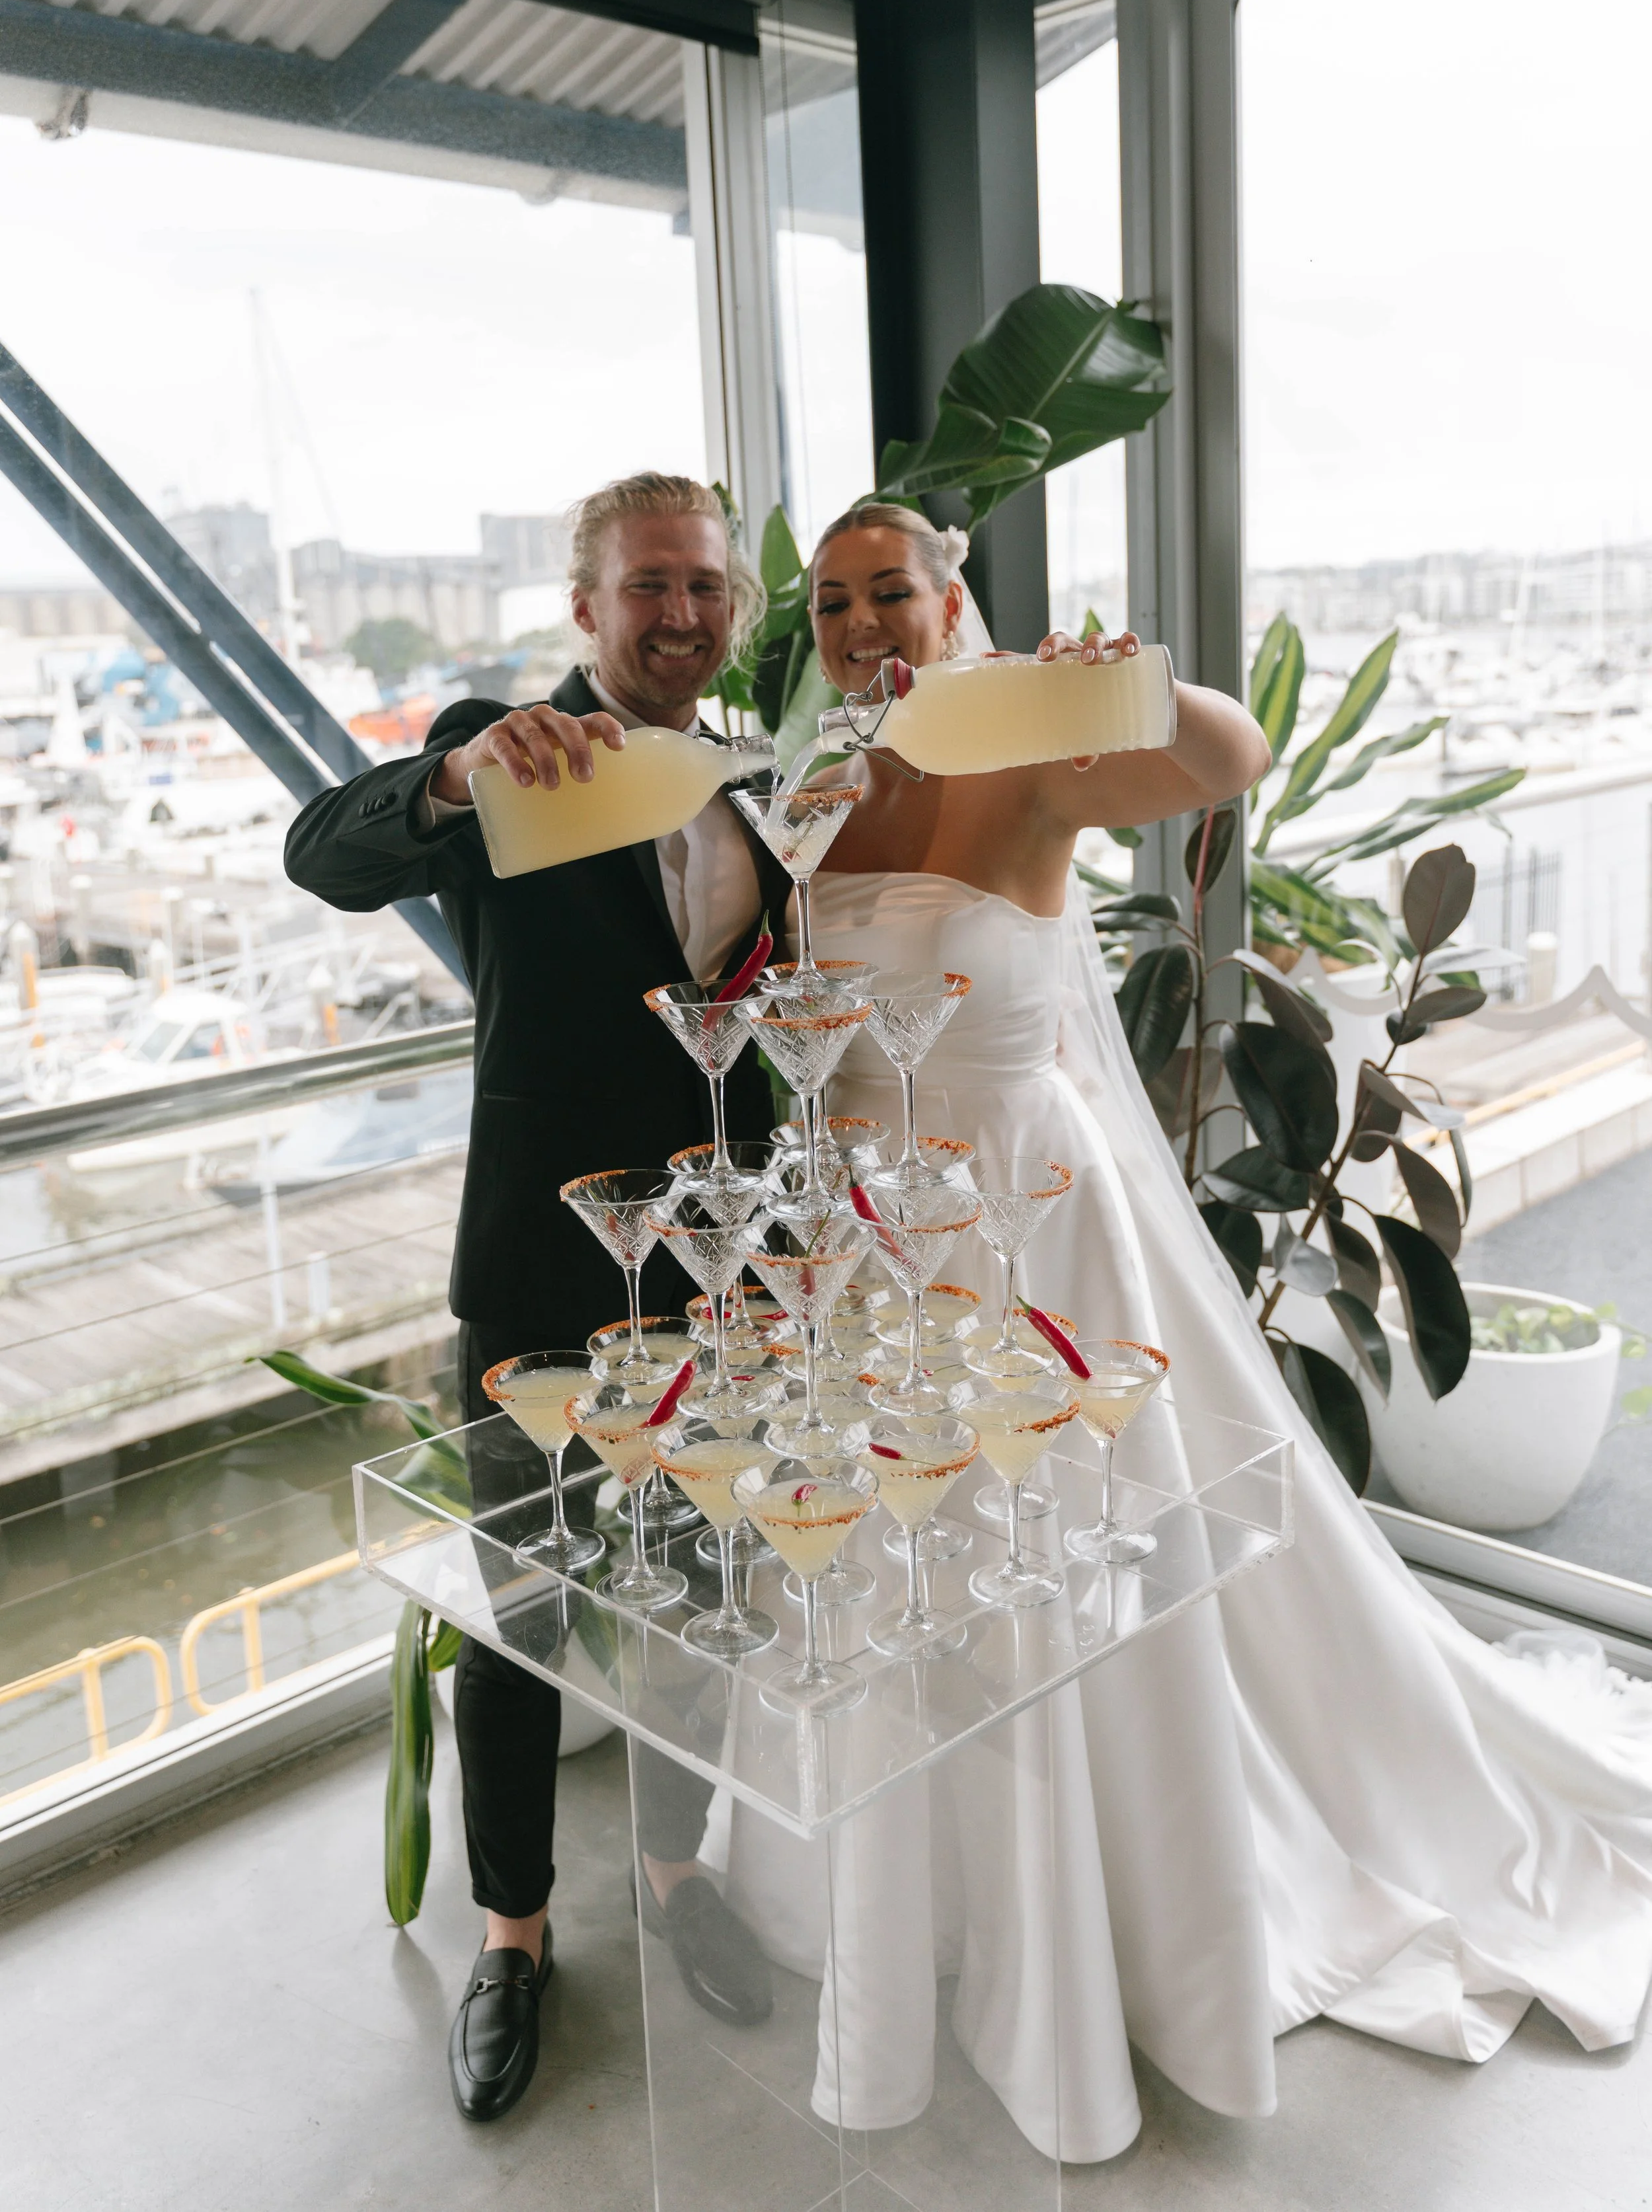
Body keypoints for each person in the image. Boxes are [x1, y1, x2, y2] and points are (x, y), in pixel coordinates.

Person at [710, 502, 1652, 2158]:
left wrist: (1107, 681)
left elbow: (1226, 751)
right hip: (864, 1241)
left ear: (955, 603)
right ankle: (898, 1895)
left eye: (892, 594)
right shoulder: (824, 790)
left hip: (1028, 1222)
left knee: (1047, 1556)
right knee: (880, 1559)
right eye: (836, 602)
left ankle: (1107, 1912)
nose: (863, 624)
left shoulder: (1033, 752)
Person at [283, 473, 793, 2123]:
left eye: (705, 585)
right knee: (523, 1622)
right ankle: (512, 1939)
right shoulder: (512, 756)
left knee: (700, 1592)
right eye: (648, 584)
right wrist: (449, 775)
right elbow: (321, 852)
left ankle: (669, 1871)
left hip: (717, 1283)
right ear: (587, 608)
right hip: (539, 1277)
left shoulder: (759, 777)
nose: (681, 613)